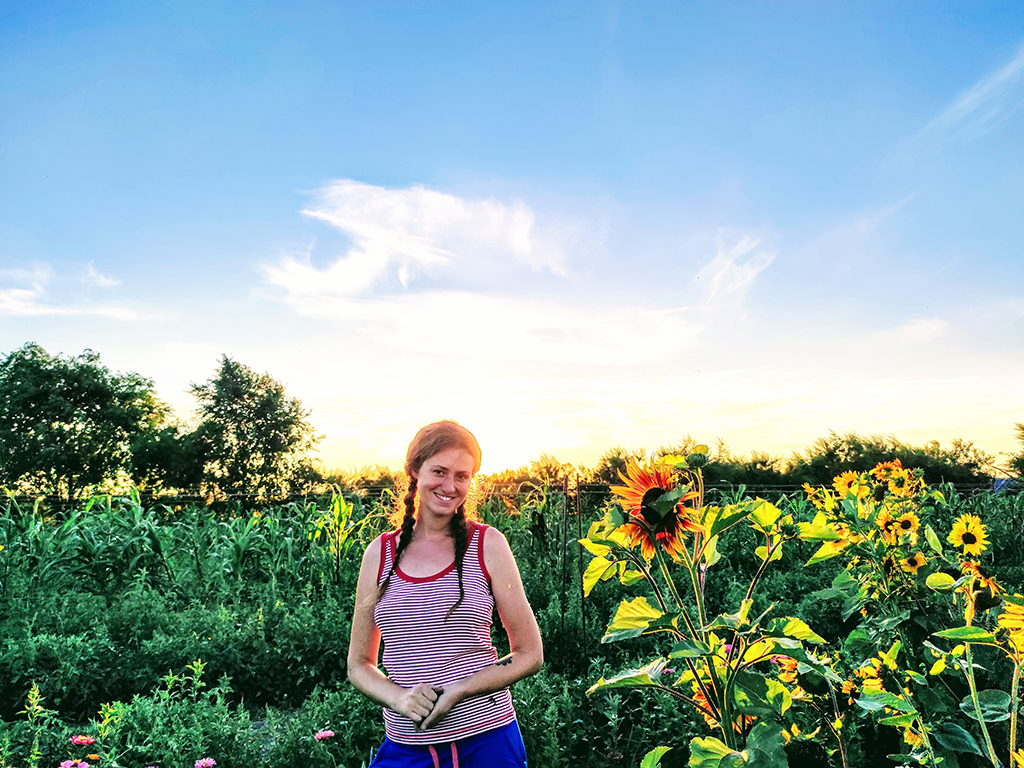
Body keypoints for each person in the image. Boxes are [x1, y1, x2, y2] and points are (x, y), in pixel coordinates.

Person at [348, 421, 544, 768]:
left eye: (462, 476)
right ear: (414, 470)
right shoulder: (380, 554)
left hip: (488, 743)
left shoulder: (488, 545)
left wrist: (460, 689)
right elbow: (359, 664)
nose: (450, 486)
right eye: (439, 471)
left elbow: (530, 654)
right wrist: (399, 698)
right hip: (407, 749)